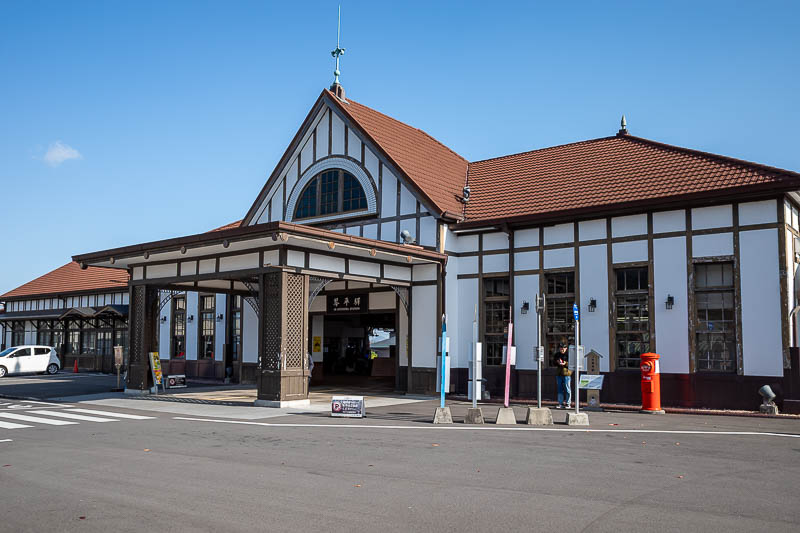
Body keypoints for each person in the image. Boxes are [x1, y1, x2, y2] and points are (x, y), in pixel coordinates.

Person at [554, 342, 572, 409]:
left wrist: (565, 363)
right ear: (559, 349)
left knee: (567, 389)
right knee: (559, 389)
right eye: (561, 348)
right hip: (559, 373)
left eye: (564, 348)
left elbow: (572, 364)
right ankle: (560, 403)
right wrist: (557, 362)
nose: (562, 349)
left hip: (567, 374)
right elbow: (553, 363)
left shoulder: (569, 355)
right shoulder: (557, 355)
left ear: (566, 348)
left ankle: (568, 403)